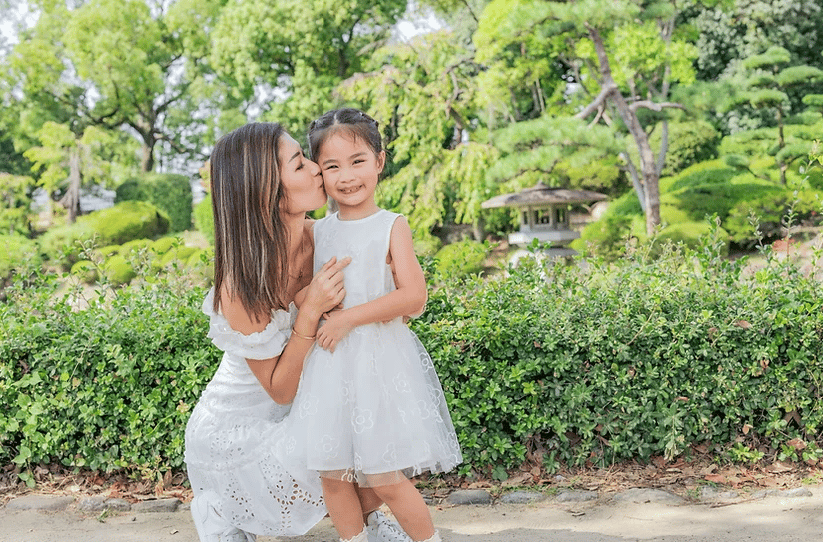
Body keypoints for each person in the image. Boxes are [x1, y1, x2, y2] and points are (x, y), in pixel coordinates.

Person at [184, 122, 412, 542]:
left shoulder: (324, 236)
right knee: (338, 454)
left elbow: (388, 309)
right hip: (239, 431)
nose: (316, 169)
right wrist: (308, 312)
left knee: (380, 431)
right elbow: (280, 390)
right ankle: (222, 508)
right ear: (266, 191)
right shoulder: (240, 286)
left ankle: (365, 523)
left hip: (307, 404)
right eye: (299, 164)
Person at [277, 108, 462, 542]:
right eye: (332, 166)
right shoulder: (315, 232)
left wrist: (347, 318)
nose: (347, 176)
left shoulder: (391, 226)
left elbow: (413, 297)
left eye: (358, 161)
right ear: (319, 173)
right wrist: (316, 306)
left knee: (383, 475)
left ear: (379, 161)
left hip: (377, 365)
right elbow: (297, 290)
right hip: (329, 366)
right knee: (333, 475)